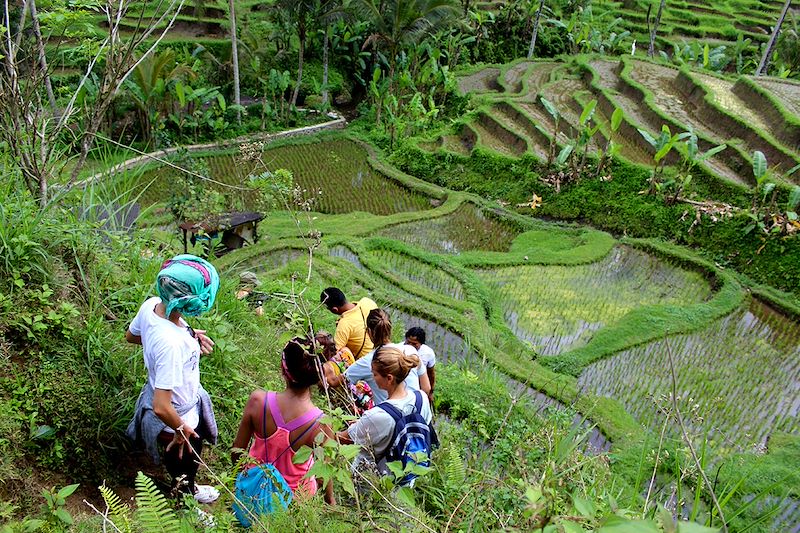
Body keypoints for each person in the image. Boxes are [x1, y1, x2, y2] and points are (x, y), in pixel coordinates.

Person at [125, 254, 221, 503]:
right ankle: (186, 504)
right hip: (176, 419)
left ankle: (191, 489)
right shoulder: (171, 345)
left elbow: (132, 336)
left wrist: (188, 335)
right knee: (184, 465)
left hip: (181, 409)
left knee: (188, 466)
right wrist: (180, 428)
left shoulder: (153, 305)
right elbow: (160, 405)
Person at [232, 339, 335, 505]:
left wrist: (240, 480)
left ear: (283, 368)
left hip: (253, 492)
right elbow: (323, 476)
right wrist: (330, 499)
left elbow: (237, 452)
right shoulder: (321, 424)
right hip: (294, 501)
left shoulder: (258, 401)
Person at [337, 345, 433, 472]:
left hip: (373, 480)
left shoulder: (377, 415)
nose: (372, 376)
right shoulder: (422, 398)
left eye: (374, 374)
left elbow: (343, 438)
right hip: (406, 476)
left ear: (389, 378)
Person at [340, 308, 431, 405]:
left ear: (368, 332)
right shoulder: (410, 350)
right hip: (415, 413)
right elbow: (426, 388)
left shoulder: (369, 361)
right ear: (390, 329)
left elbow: (339, 382)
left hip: (388, 416)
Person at [315, 331, 373, 414]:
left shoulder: (326, 367)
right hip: (364, 389)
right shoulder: (345, 351)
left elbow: (329, 385)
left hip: (353, 400)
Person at [320, 287, 378, 359]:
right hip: (378, 352)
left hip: (361, 363)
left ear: (335, 310)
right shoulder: (368, 302)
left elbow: (334, 353)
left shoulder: (344, 324)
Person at [405, 327, 436, 403]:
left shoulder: (428, 353)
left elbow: (431, 373)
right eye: (408, 342)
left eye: (414, 344)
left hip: (420, 386)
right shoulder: (399, 349)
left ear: (421, 343)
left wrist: (431, 392)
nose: (410, 345)